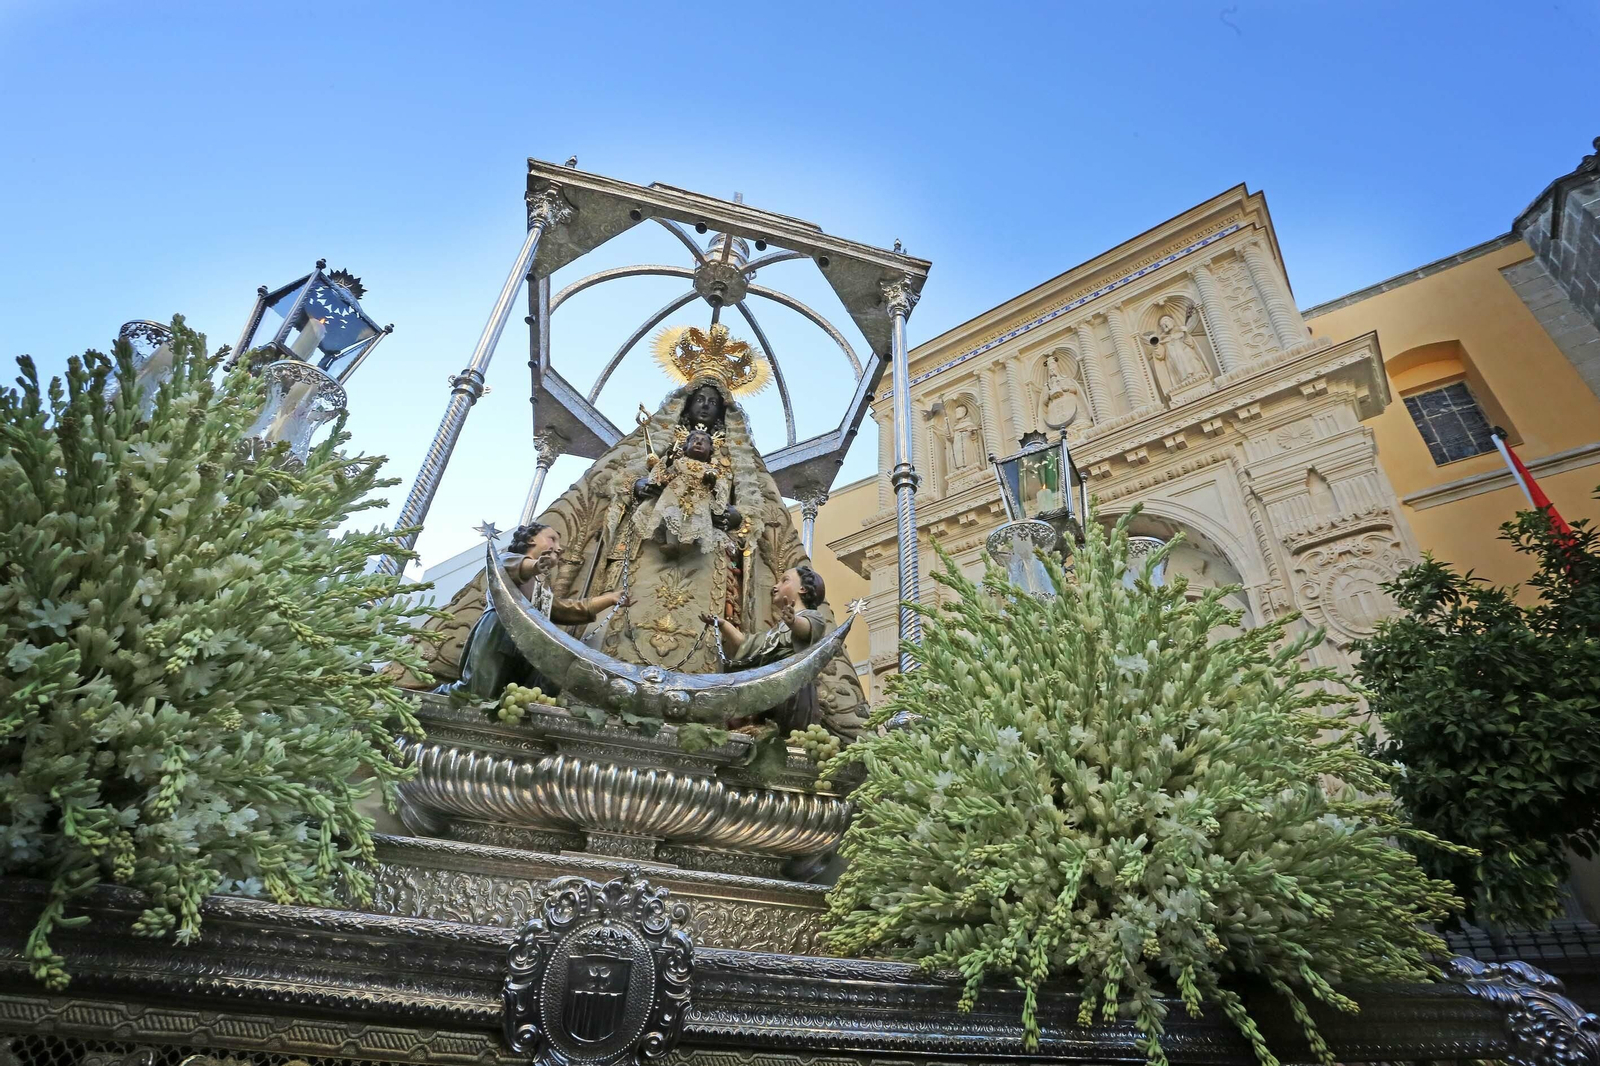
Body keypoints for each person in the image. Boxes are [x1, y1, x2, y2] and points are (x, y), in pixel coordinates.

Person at [438, 522, 625, 702]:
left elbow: (563, 609)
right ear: (530, 540)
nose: (559, 548)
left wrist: (610, 598)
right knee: (475, 691)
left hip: (528, 643)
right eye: (552, 539)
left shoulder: (541, 585)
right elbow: (512, 569)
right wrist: (535, 566)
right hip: (499, 631)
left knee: (518, 691)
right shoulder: (507, 559)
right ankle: (420, 700)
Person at [701, 565, 848, 738]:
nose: (775, 586)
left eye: (784, 580)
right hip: (770, 687)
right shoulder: (777, 630)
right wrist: (723, 624)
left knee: (785, 736)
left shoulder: (813, 617)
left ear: (803, 589)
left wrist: (793, 622)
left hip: (792, 688)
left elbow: (807, 630)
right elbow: (747, 643)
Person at [631, 426, 733, 554]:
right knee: (671, 515)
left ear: (711, 450)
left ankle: (687, 542)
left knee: (695, 518)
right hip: (675, 495)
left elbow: (719, 485)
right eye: (694, 440)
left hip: (698, 498)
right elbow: (665, 473)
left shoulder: (710, 468)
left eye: (704, 441)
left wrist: (711, 479)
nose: (699, 442)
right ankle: (671, 543)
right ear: (686, 446)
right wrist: (664, 471)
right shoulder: (679, 462)